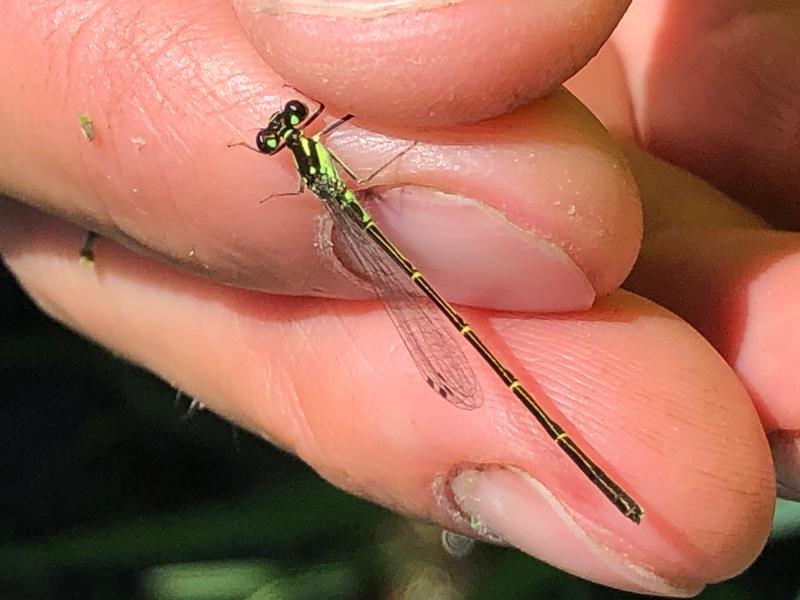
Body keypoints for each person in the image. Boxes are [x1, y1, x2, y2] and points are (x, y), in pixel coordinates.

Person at [1, 0, 797, 594]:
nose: (286, 128)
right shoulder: (320, 158)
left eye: (285, 127)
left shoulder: (319, 146)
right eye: (284, 131)